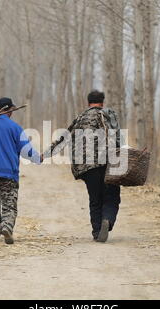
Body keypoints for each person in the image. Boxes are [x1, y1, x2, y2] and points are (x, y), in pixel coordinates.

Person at [42, 90, 122, 243]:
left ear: (88, 102)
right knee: (112, 196)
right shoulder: (107, 115)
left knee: (94, 199)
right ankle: (108, 220)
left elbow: (63, 138)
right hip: (107, 163)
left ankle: (97, 232)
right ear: (102, 102)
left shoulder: (79, 118)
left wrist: (45, 155)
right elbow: (117, 138)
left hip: (85, 167)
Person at [0, 97, 41, 245]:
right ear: (10, 110)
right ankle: (7, 227)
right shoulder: (15, 128)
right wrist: (38, 158)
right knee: (9, 204)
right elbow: (26, 151)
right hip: (8, 174)